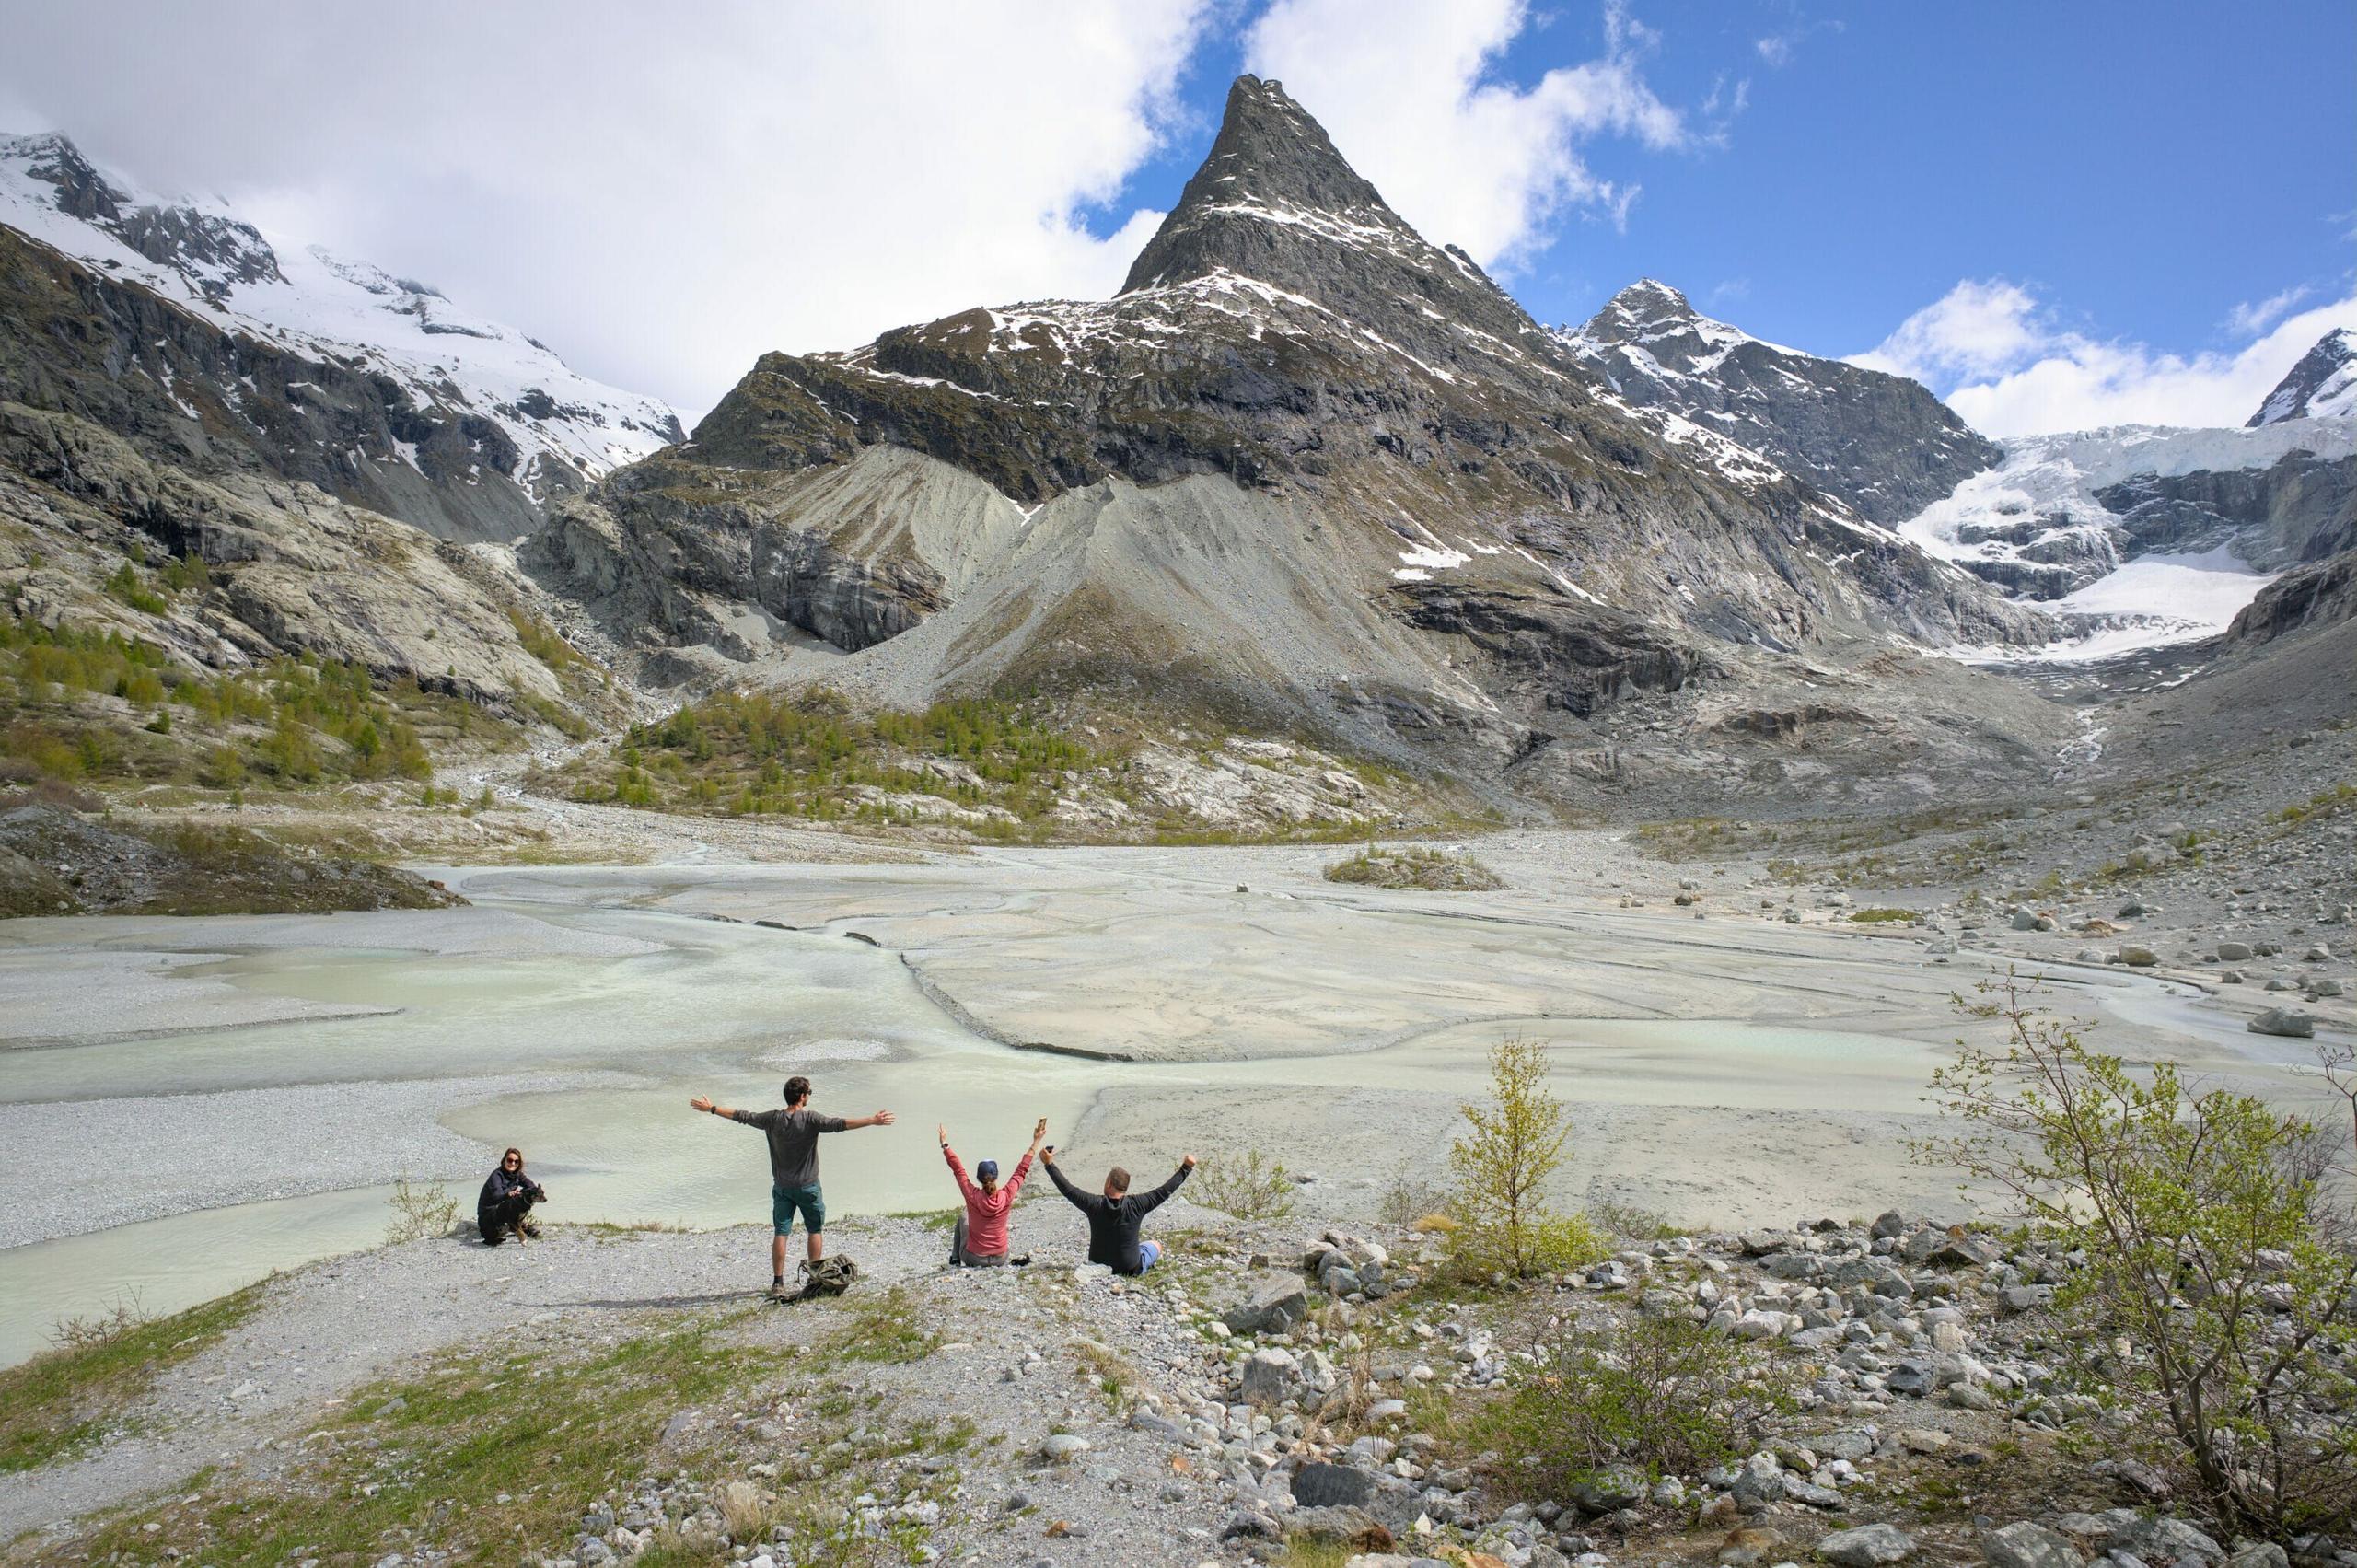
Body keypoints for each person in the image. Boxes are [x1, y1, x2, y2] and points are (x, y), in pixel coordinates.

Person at [689, 1075, 894, 1299]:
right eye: (809, 1093)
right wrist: (872, 1120)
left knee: (781, 1233)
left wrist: (712, 1108)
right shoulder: (811, 1120)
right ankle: (814, 1279)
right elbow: (840, 1124)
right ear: (803, 1097)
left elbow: (742, 1116)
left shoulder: (772, 1119)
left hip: (782, 1187)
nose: (809, 1097)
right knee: (814, 1230)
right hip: (808, 1187)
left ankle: (778, 1282)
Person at [1042, 1144, 1195, 1274]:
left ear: (1108, 1183)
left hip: (1097, 1266)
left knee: (1143, 1245)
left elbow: (1068, 1189)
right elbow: (1165, 1191)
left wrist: (1049, 1165)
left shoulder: (1094, 1204)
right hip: (1130, 1268)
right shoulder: (1138, 1204)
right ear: (1125, 1188)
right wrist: (1186, 1168)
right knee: (1155, 1244)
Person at [939, 1117, 1044, 1267]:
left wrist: (945, 1144)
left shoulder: (972, 1195)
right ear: (996, 1176)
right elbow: (1022, 1170)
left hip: (974, 1259)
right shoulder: (1006, 1195)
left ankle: (955, 1258)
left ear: (978, 1178)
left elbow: (958, 1169)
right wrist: (1036, 1140)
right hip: (1001, 1258)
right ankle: (961, 1257)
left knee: (963, 1216)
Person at [477, 1147, 546, 1246]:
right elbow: (496, 1196)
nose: (513, 1164)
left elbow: (530, 1186)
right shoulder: (496, 1176)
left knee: (525, 1200)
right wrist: (508, 1194)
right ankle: (520, 1228)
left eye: (516, 1161)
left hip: (504, 1211)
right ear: (504, 1160)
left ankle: (522, 1227)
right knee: (512, 1203)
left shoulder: (518, 1175)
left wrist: (538, 1192)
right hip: (489, 1215)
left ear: (519, 1163)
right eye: (510, 1160)